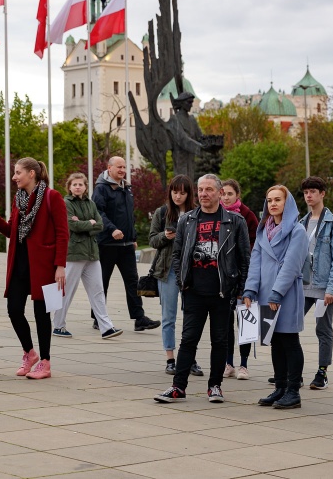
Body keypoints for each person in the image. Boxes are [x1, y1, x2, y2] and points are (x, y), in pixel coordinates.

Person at [154, 174, 250, 404]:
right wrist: (182, 283)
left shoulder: (235, 222)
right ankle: (178, 387)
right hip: (194, 291)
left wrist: (241, 289)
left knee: (220, 341)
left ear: (219, 193)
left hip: (222, 293)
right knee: (188, 340)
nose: (204, 194)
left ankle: (215, 386)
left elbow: (245, 258)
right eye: (200, 190)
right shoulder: (187, 220)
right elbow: (177, 255)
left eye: (209, 189)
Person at [0, 158, 69, 380]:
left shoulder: (53, 197)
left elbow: (63, 233)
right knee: (14, 310)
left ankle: (45, 363)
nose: (14, 177)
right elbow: (11, 230)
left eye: (18, 172)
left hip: (44, 265)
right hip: (20, 263)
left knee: (42, 314)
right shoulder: (18, 199)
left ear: (32, 174)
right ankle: (30, 353)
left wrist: (60, 266)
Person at [247, 186, 309, 409]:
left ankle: (293, 391)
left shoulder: (297, 230)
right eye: (269, 200)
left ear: (287, 202)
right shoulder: (263, 229)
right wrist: (250, 289)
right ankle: (280, 387)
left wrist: (277, 292)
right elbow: (256, 261)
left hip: (287, 292)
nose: (273, 204)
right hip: (265, 292)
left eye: (278, 200)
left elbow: (292, 264)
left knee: (289, 340)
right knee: (274, 341)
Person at [51, 173, 123, 340]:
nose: (77, 187)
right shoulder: (66, 203)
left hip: (92, 254)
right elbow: (71, 225)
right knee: (66, 291)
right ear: (69, 187)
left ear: (85, 187)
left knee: (98, 291)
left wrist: (87, 224)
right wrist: (88, 223)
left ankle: (106, 327)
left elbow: (100, 225)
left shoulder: (91, 203)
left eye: (80, 184)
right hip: (74, 254)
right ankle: (58, 325)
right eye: (74, 184)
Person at [94, 156, 160, 332]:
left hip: (126, 246)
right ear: (109, 168)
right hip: (107, 245)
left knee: (132, 282)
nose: (122, 170)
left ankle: (139, 319)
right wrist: (111, 229)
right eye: (119, 167)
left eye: (124, 167)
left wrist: (133, 237)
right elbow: (98, 212)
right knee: (102, 282)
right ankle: (97, 317)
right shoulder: (101, 188)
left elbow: (130, 216)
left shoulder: (127, 188)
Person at [148, 175, 202, 375]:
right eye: (174, 191)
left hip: (192, 271)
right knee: (168, 317)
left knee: (192, 318)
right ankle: (170, 359)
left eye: (182, 192)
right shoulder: (162, 213)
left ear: (189, 194)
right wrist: (165, 236)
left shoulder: (197, 213)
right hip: (168, 270)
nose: (178, 196)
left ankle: (190, 358)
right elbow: (152, 240)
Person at [298, 176, 333, 391]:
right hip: (301, 286)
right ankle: (293, 370)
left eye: (313, 191)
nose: (309, 195)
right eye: (306, 192)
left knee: (323, 329)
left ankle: (322, 372)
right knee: (288, 327)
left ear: (322, 194)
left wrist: (332, 289)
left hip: (323, 288)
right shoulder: (300, 223)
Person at [220, 178, 259, 379]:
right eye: (223, 194)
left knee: (244, 321)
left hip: (244, 274)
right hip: (224, 277)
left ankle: (243, 364)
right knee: (225, 323)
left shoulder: (247, 215)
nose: (225, 198)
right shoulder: (216, 214)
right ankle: (229, 363)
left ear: (237, 196)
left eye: (229, 194)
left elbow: (255, 242)